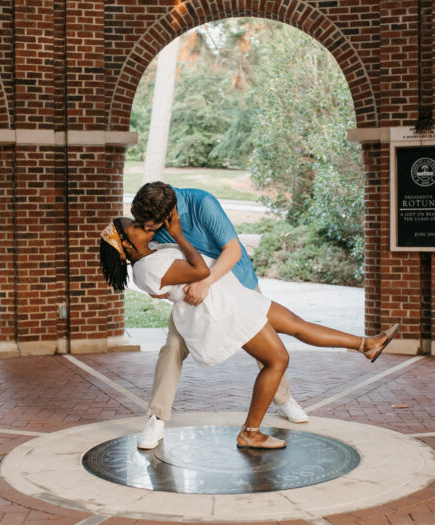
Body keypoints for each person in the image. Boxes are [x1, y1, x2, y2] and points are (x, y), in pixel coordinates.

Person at [99, 213, 400, 449]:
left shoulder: (155, 251)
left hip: (235, 296)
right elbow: (201, 272)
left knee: (296, 324)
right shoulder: (145, 269)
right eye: (133, 226)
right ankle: (250, 433)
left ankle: (367, 345)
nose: (140, 224)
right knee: (277, 360)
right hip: (223, 311)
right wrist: (178, 234)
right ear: (126, 245)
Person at [130, 182, 305, 449]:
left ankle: (283, 398)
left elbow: (233, 250)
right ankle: (157, 417)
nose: (146, 230)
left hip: (236, 281)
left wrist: (206, 282)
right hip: (193, 295)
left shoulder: (203, 203)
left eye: (151, 226)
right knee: (173, 347)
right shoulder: (150, 213)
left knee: (268, 347)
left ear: (170, 214)